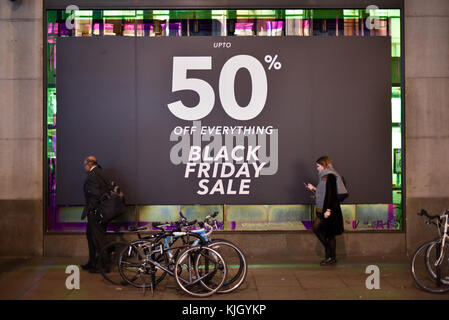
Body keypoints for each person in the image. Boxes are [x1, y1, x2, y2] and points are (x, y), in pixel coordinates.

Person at [306, 156, 345, 266]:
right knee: (328, 233)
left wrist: (328, 210)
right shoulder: (325, 176)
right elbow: (324, 192)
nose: (317, 168)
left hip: (327, 210)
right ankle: (331, 256)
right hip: (324, 209)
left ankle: (330, 255)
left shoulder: (330, 176)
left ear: (323, 166)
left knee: (322, 230)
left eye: (318, 166)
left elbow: (331, 195)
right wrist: (314, 188)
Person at [80, 155, 110, 273]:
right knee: (91, 236)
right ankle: (92, 262)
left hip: (95, 213)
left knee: (99, 239)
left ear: (90, 163)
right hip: (100, 212)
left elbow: (95, 194)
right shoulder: (100, 172)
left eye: (85, 164)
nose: (84, 167)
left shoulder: (93, 175)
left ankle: (103, 266)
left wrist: (92, 209)